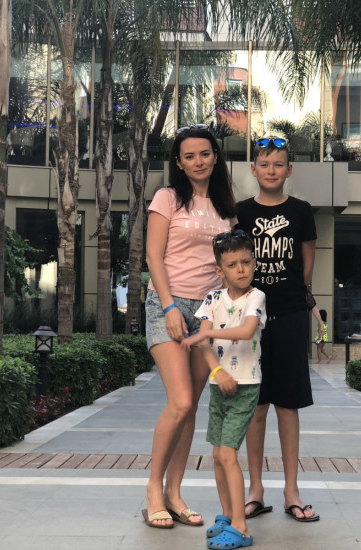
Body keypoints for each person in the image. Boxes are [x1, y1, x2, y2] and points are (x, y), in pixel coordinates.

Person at [142, 124, 238, 529]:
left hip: (208, 312)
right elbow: (153, 255)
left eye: (205, 154)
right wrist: (168, 306)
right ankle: (153, 488)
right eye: (189, 156)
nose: (198, 161)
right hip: (168, 305)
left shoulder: (226, 207)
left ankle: (174, 493)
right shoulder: (167, 198)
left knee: (191, 406)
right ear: (178, 163)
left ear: (215, 157)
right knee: (180, 401)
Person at [236, 136, 323, 522]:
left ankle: (291, 491)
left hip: (289, 316)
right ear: (253, 169)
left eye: (278, 164)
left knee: (288, 406)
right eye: (264, 164)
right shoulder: (240, 212)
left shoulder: (301, 211)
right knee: (255, 407)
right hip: (249, 320)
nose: (271, 170)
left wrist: (302, 302)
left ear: (289, 170)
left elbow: (306, 268)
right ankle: (255, 490)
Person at [180, 230, 266, 549]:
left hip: (245, 385)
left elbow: (246, 330)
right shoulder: (212, 300)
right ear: (220, 270)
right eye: (232, 265)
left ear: (254, 263)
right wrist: (217, 371)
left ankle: (241, 527)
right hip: (220, 385)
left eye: (246, 262)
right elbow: (204, 345)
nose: (241, 269)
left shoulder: (255, 297)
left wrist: (206, 334)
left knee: (228, 453)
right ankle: (228, 516)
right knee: (217, 454)